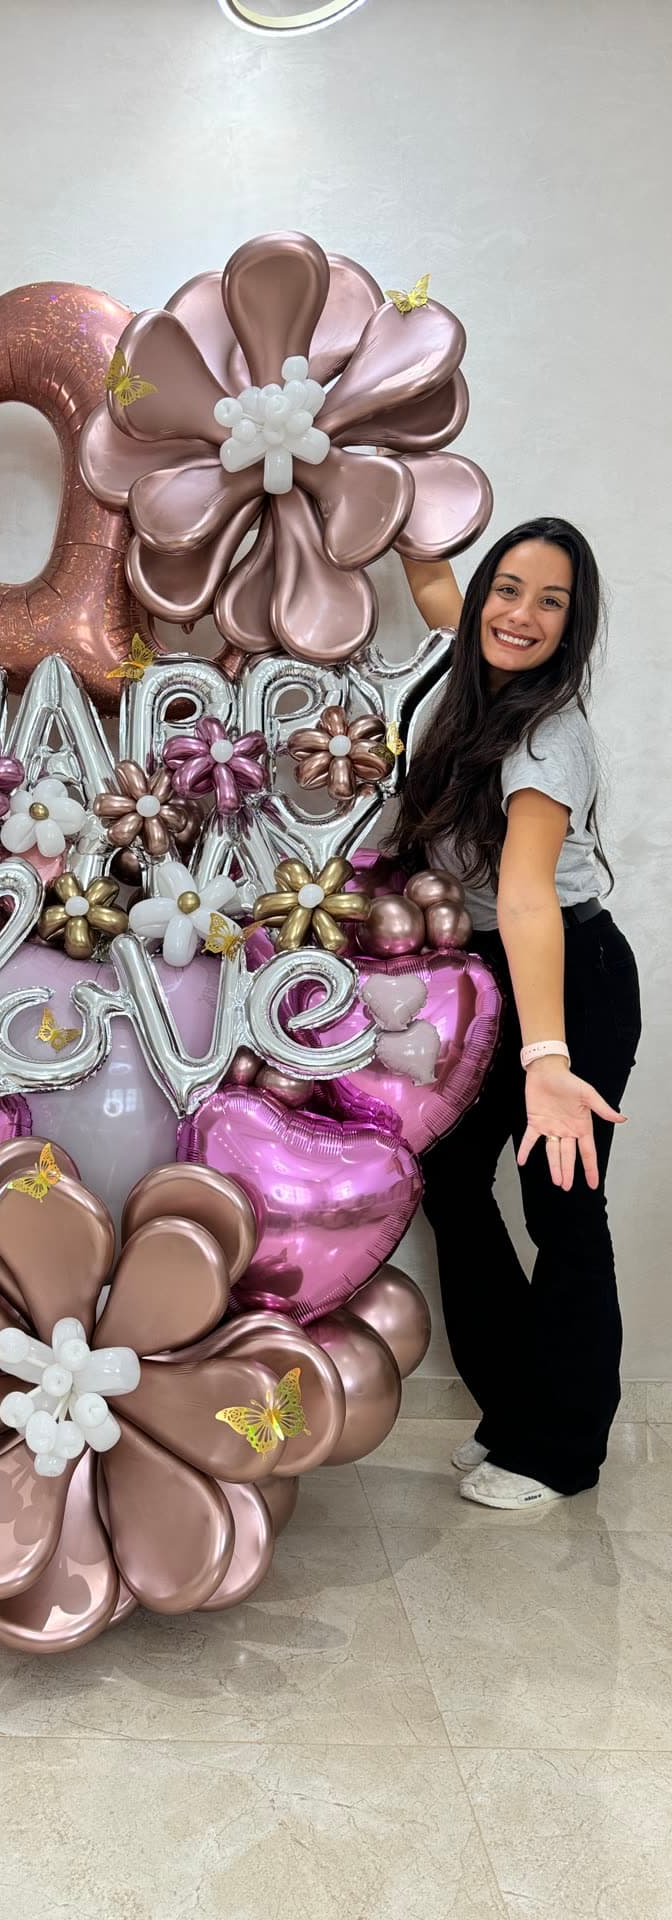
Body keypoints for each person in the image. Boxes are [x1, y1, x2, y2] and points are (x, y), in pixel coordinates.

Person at [392, 518, 641, 1509]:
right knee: (453, 1179)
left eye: (552, 602)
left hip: (566, 972)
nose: (520, 615)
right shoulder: (476, 665)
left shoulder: (547, 733)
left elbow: (531, 894)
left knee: (562, 1204)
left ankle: (561, 1449)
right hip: (489, 966)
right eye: (509, 588)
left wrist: (547, 1059)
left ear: (574, 629)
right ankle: (515, 1415)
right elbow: (439, 596)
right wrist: (399, 515)